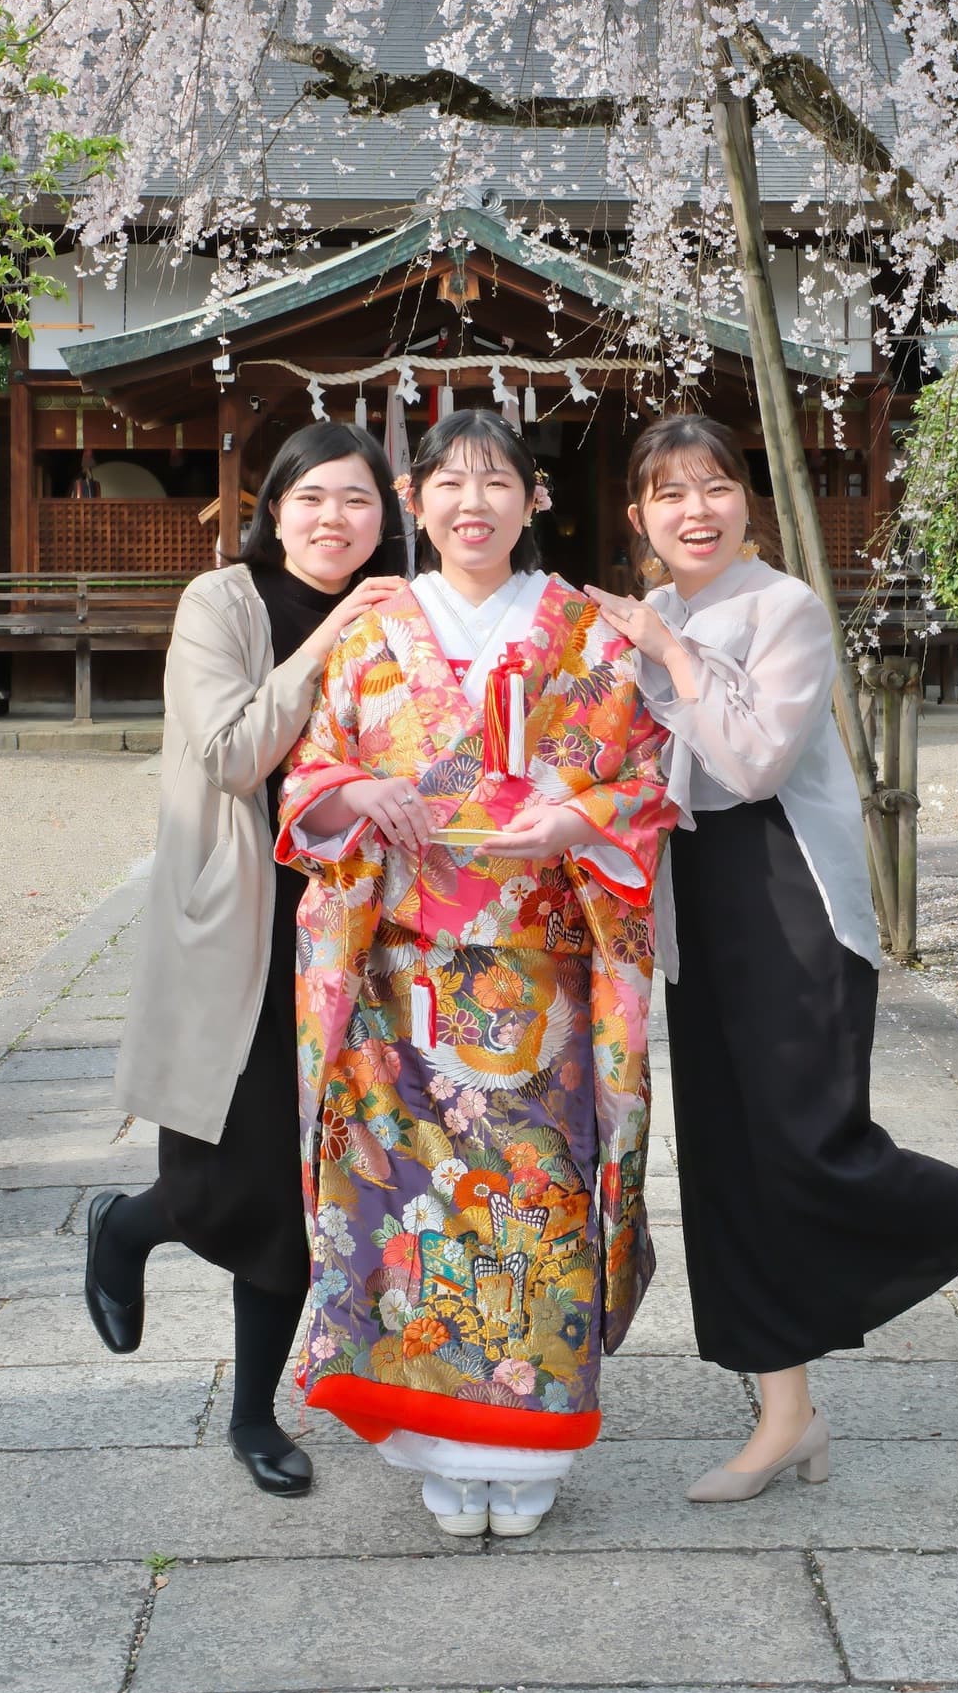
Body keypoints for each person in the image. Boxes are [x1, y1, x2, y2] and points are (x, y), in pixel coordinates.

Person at [586, 412, 958, 1503]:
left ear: (746, 501)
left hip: (791, 905)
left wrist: (669, 656)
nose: (695, 511)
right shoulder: (654, 613)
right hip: (697, 915)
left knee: (813, 1148)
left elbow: (756, 761)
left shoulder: (785, 608)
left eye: (715, 487)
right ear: (640, 519)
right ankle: (786, 1420)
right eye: (669, 494)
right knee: (732, 1170)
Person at [276, 408, 674, 1538]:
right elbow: (313, 771)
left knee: (536, 1210)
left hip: (542, 988)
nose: (474, 503)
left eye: (499, 482)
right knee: (415, 1212)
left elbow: (641, 782)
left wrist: (576, 819)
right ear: (416, 502)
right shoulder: (370, 632)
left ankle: (534, 1446)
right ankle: (438, 1445)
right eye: (450, 483)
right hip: (402, 984)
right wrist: (354, 798)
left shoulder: (589, 632)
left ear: (534, 501)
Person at [84, 422, 407, 1496]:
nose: (334, 520)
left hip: (357, 936)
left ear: (384, 513)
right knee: (226, 1173)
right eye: (312, 498)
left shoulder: (404, 605)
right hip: (246, 926)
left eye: (356, 501)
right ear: (274, 509)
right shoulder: (222, 603)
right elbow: (227, 755)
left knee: (308, 1187)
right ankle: (128, 1228)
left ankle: (254, 1417)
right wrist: (325, 642)